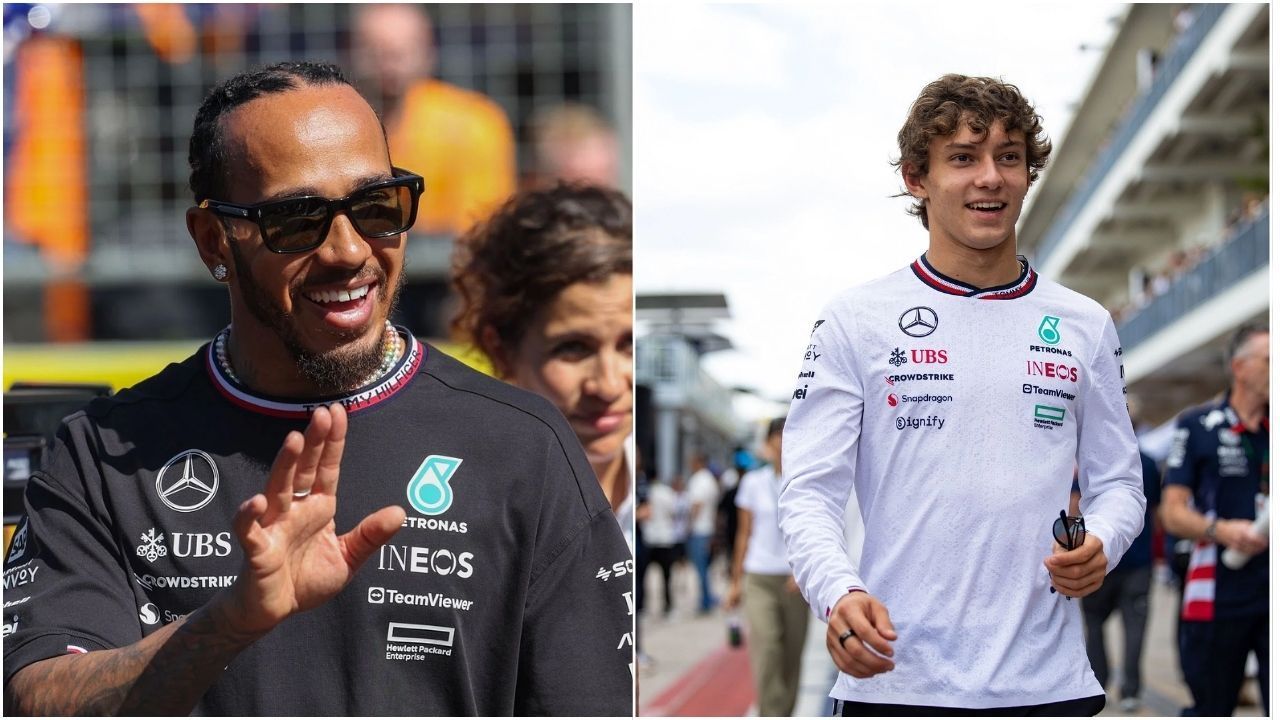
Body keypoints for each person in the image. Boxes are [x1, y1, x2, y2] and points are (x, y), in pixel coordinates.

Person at [1, 62, 631, 716]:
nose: (349, 251)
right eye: (297, 219)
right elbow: (35, 699)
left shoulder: (523, 446)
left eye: (376, 206)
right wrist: (226, 624)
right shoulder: (100, 457)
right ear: (214, 240)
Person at [778, 74, 1146, 715]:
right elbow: (809, 492)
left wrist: (1103, 543)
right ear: (917, 178)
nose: (990, 178)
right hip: (896, 683)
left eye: (1009, 157)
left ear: (1028, 174)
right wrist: (837, 593)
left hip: (1049, 686)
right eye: (963, 158)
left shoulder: (1085, 323)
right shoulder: (854, 319)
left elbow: (1120, 484)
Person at [449, 182, 633, 548]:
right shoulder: (461, 513)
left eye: (629, 345)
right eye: (574, 349)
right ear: (500, 350)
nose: (609, 385)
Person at [1160, 323, 1268, 717]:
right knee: (1211, 707)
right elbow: (1171, 512)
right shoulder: (1198, 425)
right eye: (1269, 360)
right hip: (1220, 596)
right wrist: (1222, 531)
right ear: (1240, 368)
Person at [351, 4, 515, 235]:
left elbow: (480, 223)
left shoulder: (473, 122)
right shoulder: (338, 127)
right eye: (375, 50)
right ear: (350, 51)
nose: (389, 63)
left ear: (429, 52)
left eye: (402, 50)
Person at [1079, 400, 1163, 713]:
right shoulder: (1149, 463)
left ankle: (1099, 684)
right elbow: (1156, 513)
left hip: (1106, 557)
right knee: (1132, 628)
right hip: (1133, 561)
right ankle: (1129, 690)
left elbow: (1075, 505)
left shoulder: (1085, 462)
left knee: (1096, 625)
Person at [726, 417, 809, 717]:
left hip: (795, 580)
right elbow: (743, 534)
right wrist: (735, 582)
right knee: (768, 649)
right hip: (759, 576)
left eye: (788, 435)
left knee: (791, 655)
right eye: (777, 436)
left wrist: (805, 570)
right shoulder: (752, 482)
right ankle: (770, 714)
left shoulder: (807, 480)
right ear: (768, 443)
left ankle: (784, 712)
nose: (782, 442)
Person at [685, 453, 720, 613]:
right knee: (705, 568)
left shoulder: (699, 480)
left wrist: (689, 526)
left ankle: (705, 601)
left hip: (699, 530)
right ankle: (707, 598)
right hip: (708, 529)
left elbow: (697, 505)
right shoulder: (711, 480)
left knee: (701, 569)